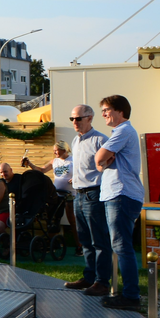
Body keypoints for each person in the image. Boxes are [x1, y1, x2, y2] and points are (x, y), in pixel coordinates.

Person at [95, 95, 145, 310]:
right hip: (119, 194)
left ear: (120, 111)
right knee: (120, 245)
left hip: (121, 194)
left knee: (122, 246)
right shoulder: (121, 132)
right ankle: (128, 293)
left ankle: (131, 296)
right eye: (103, 110)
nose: (104, 114)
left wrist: (103, 161)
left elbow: (99, 159)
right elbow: (100, 165)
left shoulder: (123, 131)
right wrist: (102, 162)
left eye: (107, 110)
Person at [64, 104, 111, 296]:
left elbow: (109, 166)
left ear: (90, 118)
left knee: (99, 240)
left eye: (78, 118)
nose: (75, 122)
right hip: (79, 194)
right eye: (72, 119)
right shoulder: (76, 141)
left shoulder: (101, 140)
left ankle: (102, 282)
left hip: (94, 193)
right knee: (84, 240)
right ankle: (89, 277)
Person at [23, 140, 82, 256]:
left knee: (73, 221)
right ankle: (53, 243)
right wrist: (30, 164)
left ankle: (79, 246)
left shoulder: (73, 160)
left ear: (64, 150)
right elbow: (42, 170)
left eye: (56, 150)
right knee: (53, 218)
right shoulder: (55, 161)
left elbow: (82, 173)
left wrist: (76, 178)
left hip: (70, 194)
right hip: (57, 194)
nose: (55, 153)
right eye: (54, 151)